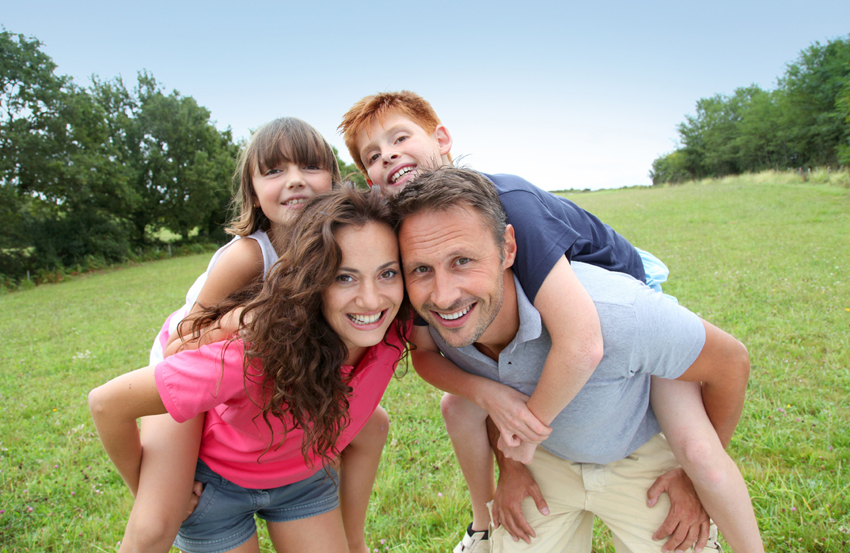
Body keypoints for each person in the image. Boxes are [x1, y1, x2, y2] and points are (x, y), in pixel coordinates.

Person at [339, 91, 745, 553]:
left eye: (399, 137)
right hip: (555, 333)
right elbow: (426, 352)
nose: (388, 154)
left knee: (696, 448)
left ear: (442, 138)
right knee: (460, 404)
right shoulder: (410, 238)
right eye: (373, 154)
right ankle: (482, 525)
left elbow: (583, 339)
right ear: (369, 178)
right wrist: (488, 394)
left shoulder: (508, 204)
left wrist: (524, 438)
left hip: (627, 300)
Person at [391, 168, 763, 552]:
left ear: (509, 248)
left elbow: (731, 362)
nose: (443, 295)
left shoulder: (619, 310)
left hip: (641, 465)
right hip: (545, 466)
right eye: (421, 269)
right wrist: (512, 468)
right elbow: (487, 393)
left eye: (463, 261)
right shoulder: (443, 329)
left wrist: (691, 474)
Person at [89, 186, 411, 553]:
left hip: (303, 480)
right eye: (344, 277)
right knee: (149, 532)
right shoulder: (254, 356)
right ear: (311, 283)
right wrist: (143, 486)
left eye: (387, 274)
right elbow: (107, 403)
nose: (371, 299)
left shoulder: (394, 324)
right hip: (218, 492)